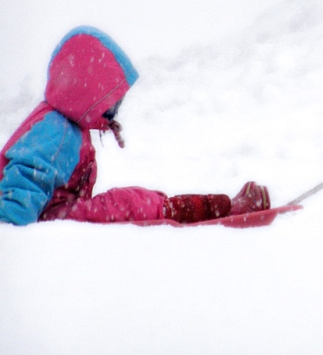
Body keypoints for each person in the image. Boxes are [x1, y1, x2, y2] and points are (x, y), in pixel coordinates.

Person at [0, 26, 270, 226]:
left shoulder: (62, 124)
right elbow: (22, 186)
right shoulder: (55, 132)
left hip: (54, 217)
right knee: (128, 203)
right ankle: (222, 209)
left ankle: (215, 208)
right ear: (86, 94)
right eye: (110, 100)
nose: (114, 109)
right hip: (47, 224)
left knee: (138, 200)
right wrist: (13, 233)